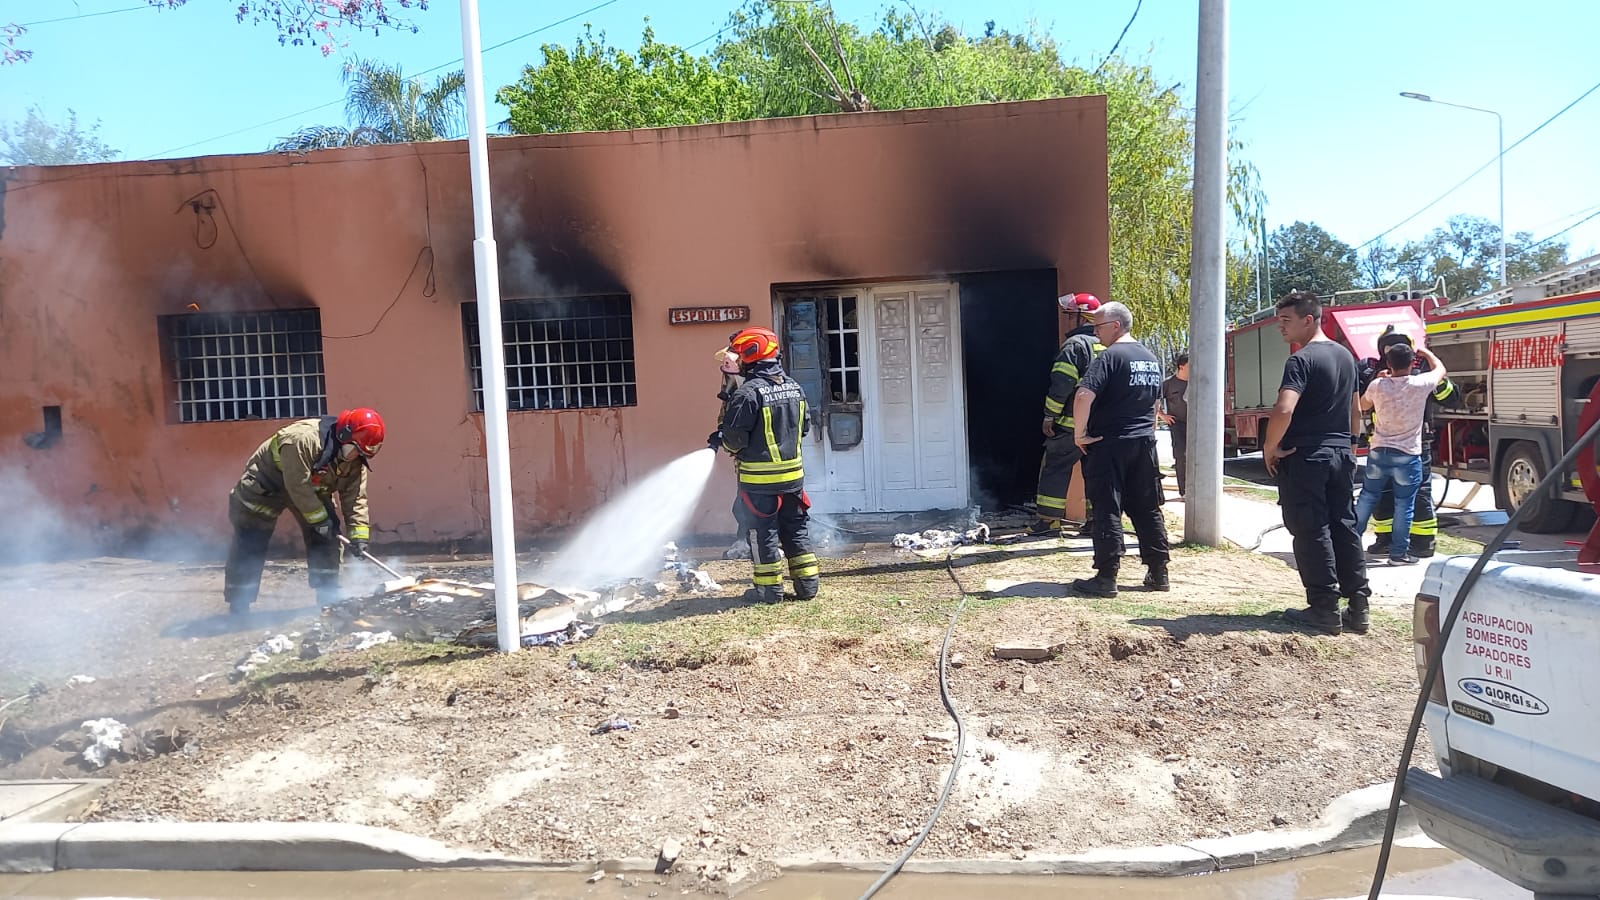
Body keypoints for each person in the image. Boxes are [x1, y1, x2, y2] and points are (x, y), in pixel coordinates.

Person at [1262, 290, 1369, 636]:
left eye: (1286, 320)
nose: (1281, 327)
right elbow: (1355, 409)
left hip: (1306, 455)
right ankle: (1358, 605)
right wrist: (1351, 445)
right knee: (1344, 525)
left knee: (1311, 528)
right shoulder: (1346, 357)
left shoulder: (1301, 360)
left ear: (1309, 319)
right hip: (1341, 454)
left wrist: (1270, 447)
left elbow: (1284, 408)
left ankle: (1323, 608)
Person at [224, 408, 385, 615]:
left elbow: (355, 498)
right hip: (267, 485)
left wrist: (359, 536)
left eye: (362, 454)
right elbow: (298, 485)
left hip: (311, 489)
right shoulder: (301, 440)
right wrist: (319, 521)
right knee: (251, 537)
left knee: (329, 535)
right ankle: (239, 603)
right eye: (355, 450)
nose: (356, 457)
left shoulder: (355, 459)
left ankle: (327, 595)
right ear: (343, 436)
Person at [709, 326, 819, 603]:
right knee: (795, 529)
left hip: (759, 482)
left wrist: (724, 438)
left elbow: (734, 441)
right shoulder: (795, 387)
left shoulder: (748, 394)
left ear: (750, 354)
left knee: (762, 533)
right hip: (794, 480)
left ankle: (769, 591)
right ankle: (807, 586)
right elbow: (804, 428)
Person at [1068, 301, 1171, 597]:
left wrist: (1080, 434)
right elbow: (1155, 404)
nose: (1095, 333)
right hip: (1143, 445)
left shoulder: (1109, 357)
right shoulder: (1150, 358)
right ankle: (1159, 572)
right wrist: (1147, 432)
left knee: (1107, 507)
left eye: (1098, 327)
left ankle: (1106, 576)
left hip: (1108, 445)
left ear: (1115, 326)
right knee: (1147, 508)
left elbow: (1083, 395)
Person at [1364, 329, 1458, 558]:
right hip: (1408, 447)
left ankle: (1410, 541)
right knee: (1413, 494)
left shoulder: (1380, 375)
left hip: (1391, 446)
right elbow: (1451, 398)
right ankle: (1407, 542)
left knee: (1393, 494)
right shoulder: (1412, 377)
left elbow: (1359, 403)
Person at [1030, 292, 1105, 536]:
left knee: (1054, 468)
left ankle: (1049, 522)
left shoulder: (1075, 346)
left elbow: (1061, 384)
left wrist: (1049, 415)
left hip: (1071, 426)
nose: (1065, 320)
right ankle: (1097, 521)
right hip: (1101, 425)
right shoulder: (1107, 345)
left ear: (1081, 318)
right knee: (1095, 472)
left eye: (1069, 315)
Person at [1158, 350, 1190, 497]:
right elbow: (1154, 401)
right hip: (1177, 424)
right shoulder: (1168, 384)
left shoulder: (1197, 382)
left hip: (1196, 425)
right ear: (1181, 367)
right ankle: (1184, 492)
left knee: (1196, 457)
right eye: (1190, 366)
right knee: (1181, 455)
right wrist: (1162, 415)